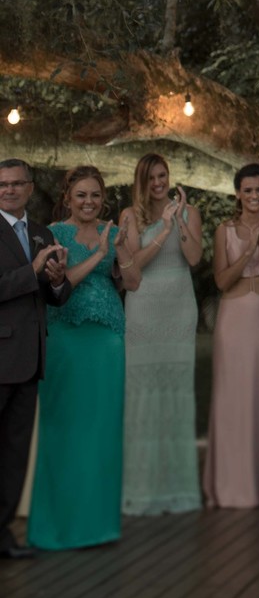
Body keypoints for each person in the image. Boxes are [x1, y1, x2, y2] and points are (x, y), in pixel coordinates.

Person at [28, 166, 125, 548]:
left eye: (95, 195)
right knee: (64, 427)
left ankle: (98, 526)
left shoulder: (114, 233)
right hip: (67, 337)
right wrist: (100, 253)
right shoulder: (54, 233)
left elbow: (131, 281)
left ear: (104, 198)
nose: (88, 202)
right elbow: (61, 283)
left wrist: (126, 252)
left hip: (109, 340)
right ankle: (57, 526)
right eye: (81, 195)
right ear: (68, 197)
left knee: (102, 432)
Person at [117, 151, 202, 515]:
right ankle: (141, 488)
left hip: (179, 307)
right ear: (141, 181)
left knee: (176, 395)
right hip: (144, 307)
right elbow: (132, 266)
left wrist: (179, 221)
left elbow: (195, 258)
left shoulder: (190, 212)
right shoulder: (129, 216)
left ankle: (177, 488)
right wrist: (162, 230)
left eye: (162, 176)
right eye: (151, 177)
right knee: (142, 394)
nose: (158, 183)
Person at [204, 163, 259, 507]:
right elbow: (222, 281)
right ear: (238, 193)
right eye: (248, 190)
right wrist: (248, 249)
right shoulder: (224, 230)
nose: (254, 196)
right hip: (233, 318)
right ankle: (230, 485)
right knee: (232, 399)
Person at [0, 158, 69, 559]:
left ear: (29, 187)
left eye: (15, 184)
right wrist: (32, 270)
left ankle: (3, 536)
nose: (8, 190)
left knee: (13, 455)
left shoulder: (41, 233)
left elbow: (51, 296)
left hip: (30, 361)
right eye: (2, 185)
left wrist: (58, 283)